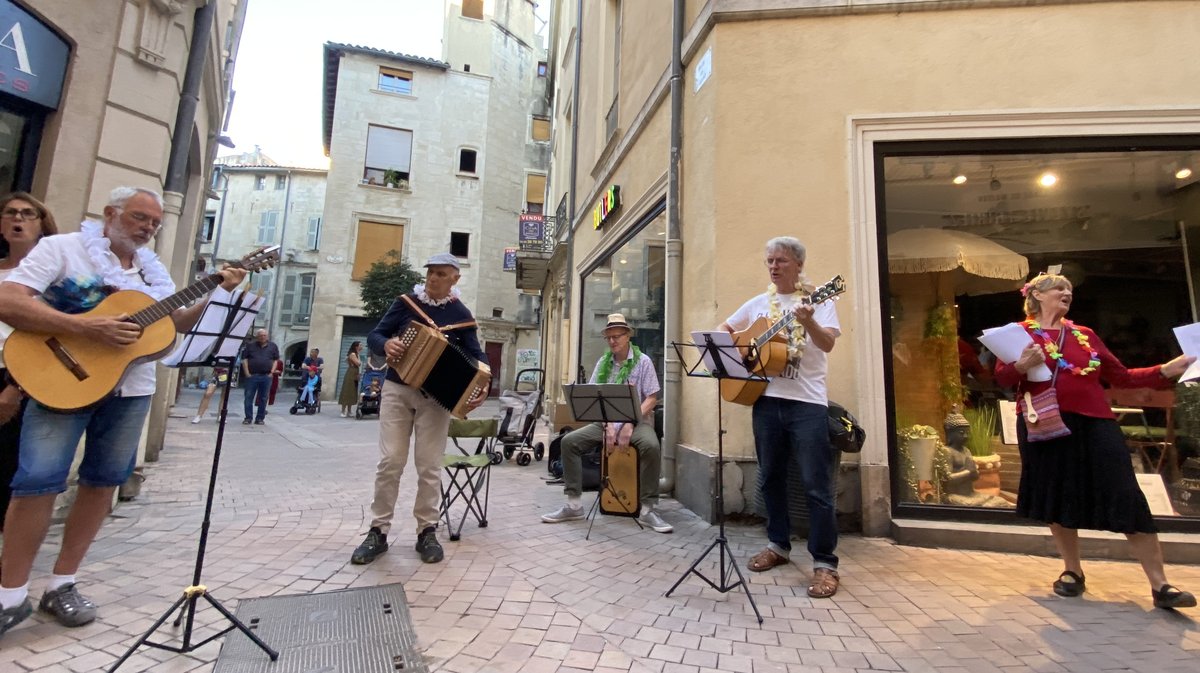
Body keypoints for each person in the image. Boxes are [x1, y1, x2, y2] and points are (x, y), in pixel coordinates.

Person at [0, 186, 247, 639]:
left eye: (154, 223)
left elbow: (175, 323)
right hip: (61, 382)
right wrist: (83, 326)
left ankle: (63, 583)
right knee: (36, 485)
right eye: (139, 217)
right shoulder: (63, 249)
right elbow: (8, 300)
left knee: (102, 484)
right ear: (110, 214)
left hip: (131, 390)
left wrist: (218, 291)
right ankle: (9, 596)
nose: (148, 227)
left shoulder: (154, 276)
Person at [995, 272, 1196, 610]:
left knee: (1125, 493)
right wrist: (1021, 365)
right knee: (1059, 496)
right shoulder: (1020, 334)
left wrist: (1167, 369)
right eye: (1059, 288)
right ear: (1037, 296)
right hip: (1044, 422)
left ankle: (1161, 586)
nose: (1066, 292)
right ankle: (1072, 572)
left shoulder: (1084, 335)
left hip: (1095, 422)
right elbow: (1002, 377)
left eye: (1070, 289)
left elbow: (1122, 376)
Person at [720, 236, 842, 599]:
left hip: (807, 404)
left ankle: (825, 564)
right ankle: (778, 545)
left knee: (816, 484)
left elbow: (828, 344)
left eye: (782, 261)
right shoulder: (760, 304)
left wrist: (810, 322)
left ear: (799, 265)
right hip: (766, 401)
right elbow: (724, 332)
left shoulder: (821, 298)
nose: (774, 267)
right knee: (769, 477)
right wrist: (743, 351)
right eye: (770, 261)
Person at [350, 252, 489, 565]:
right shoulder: (406, 303)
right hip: (398, 388)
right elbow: (376, 334)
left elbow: (477, 355)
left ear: (455, 278)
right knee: (390, 461)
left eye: (441, 274)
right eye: (430, 273)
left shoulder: (462, 315)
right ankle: (378, 530)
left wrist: (482, 383)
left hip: (435, 399)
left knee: (429, 466)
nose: (433, 278)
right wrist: (385, 345)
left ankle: (427, 531)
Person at [540, 313, 671, 533]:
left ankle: (648, 508)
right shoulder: (603, 362)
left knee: (651, 446)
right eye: (609, 337)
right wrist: (608, 425)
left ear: (628, 336)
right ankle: (574, 505)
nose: (612, 341)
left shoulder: (643, 361)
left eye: (617, 336)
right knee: (568, 442)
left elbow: (652, 398)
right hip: (606, 421)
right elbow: (593, 396)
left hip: (637, 422)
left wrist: (631, 421)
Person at [0, 192, 58, 530]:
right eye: (10, 213)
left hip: (18, 377)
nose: (17, 219)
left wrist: (14, 388)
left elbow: (50, 337)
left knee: (9, 468)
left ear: (42, 225)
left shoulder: (50, 279)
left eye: (27, 214)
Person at [241, 329, 281, 425]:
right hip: (252, 375)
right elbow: (244, 359)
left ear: (267, 336)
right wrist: (247, 373)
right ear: (257, 336)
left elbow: (276, 360)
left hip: (266, 376)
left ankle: (260, 418)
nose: (262, 337)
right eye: (260, 335)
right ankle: (248, 418)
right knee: (248, 397)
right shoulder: (250, 346)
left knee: (263, 398)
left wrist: (272, 372)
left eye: (264, 335)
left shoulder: (273, 346)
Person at [339, 341, 362, 417]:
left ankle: (349, 410)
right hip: (351, 373)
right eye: (360, 345)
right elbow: (358, 363)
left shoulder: (356, 354)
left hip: (355, 373)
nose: (361, 347)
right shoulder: (353, 354)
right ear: (356, 346)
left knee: (352, 391)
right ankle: (343, 411)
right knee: (347, 390)